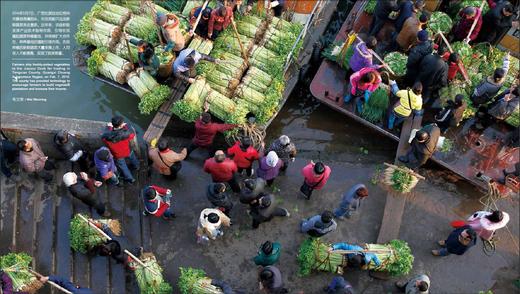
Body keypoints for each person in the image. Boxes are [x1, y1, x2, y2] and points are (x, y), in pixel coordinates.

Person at [101, 116, 139, 184]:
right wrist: (127, 125)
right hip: (128, 150)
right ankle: (137, 166)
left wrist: (109, 127)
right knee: (133, 158)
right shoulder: (126, 133)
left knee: (123, 167)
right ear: (121, 125)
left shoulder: (106, 136)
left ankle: (130, 178)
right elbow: (132, 134)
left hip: (117, 154)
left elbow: (104, 136)